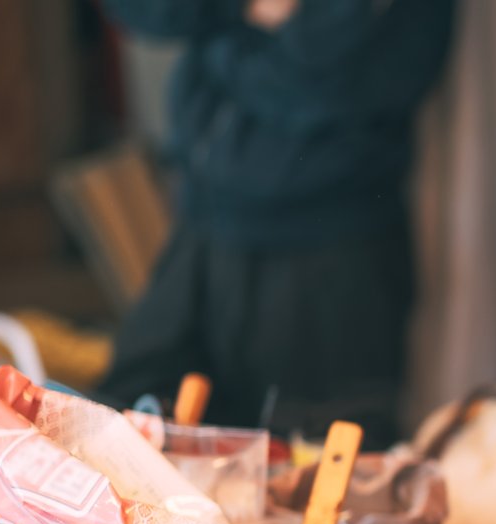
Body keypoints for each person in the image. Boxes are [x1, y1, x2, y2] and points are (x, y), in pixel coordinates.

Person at [98, 0, 456, 446]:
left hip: (328, 248)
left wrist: (217, 37)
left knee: (315, 473)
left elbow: (334, 77)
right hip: (202, 229)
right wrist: (248, 11)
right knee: (121, 430)